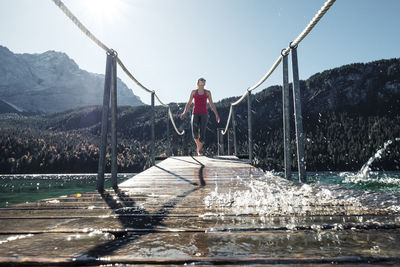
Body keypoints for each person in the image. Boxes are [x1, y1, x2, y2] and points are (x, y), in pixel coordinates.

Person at [180, 77, 220, 156]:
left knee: (202, 133)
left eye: (204, 80)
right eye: (202, 80)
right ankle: (199, 147)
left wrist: (216, 115)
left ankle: (199, 151)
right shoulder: (194, 92)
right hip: (195, 114)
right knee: (194, 133)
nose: (203, 81)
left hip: (204, 114)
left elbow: (211, 104)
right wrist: (184, 113)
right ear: (198, 82)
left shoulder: (207, 92)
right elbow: (189, 103)